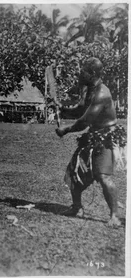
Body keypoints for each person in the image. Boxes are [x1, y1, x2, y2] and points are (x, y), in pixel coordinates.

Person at [55, 57, 127, 227]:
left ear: (92, 73)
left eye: (84, 70)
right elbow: (81, 110)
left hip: (105, 138)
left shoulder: (102, 93)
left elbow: (85, 121)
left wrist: (65, 130)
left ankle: (115, 216)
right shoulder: (91, 89)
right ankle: (77, 207)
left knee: (103, 176)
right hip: (92, 136)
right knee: (74, 173)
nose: (80, 73)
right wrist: (63, 108)